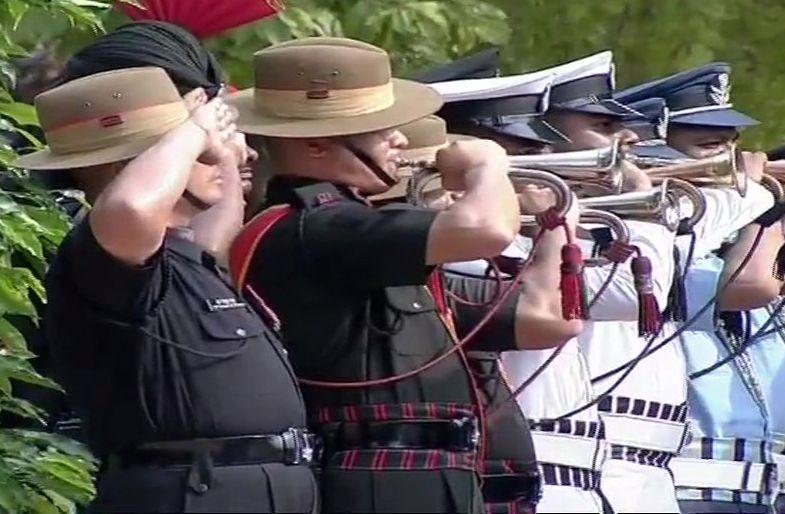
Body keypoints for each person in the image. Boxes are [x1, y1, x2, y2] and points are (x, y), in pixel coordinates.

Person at [228, 37, 521, 514]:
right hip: (379, 479)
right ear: (318, 143)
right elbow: (487, 228)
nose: (401, 141)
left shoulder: (343, 220)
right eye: (380, 130)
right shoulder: (321, 224)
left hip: (412, 476)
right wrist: (488, 167)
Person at [17, 67, 318, 513]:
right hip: (190, 492)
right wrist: (192, 129)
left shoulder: (185, 254)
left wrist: (214, 135)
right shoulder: (103, 253)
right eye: (196, 153)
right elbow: (130, 206)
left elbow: (220, 215)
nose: (216, 160)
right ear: (132, 167)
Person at [370, 113, 584, 513]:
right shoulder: (428, 269)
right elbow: (552, 319)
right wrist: (556, 231)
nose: (456, 201)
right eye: (442, 193)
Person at [615, 62, 780, 513]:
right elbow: (754, 284)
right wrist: (771, 213)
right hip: (683, 486)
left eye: (732, 145)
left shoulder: (725, 244)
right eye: (709, 147)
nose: (730, 160)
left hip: (753, 488)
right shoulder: (657, 244)